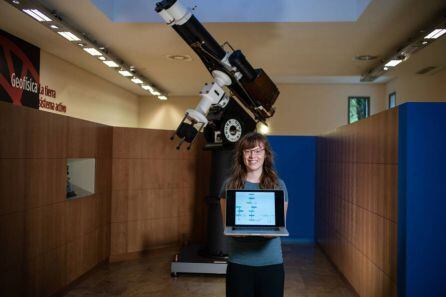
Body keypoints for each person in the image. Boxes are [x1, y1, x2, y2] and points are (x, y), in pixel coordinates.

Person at [220, 132, 288, 297]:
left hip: (271, 264)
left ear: (266, 155)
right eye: (248, 151)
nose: (252, 156)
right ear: (241, 155)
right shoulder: (229, 185)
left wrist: (264, 233)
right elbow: (227, 226)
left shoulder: (278, 185)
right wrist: (242, 233)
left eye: (258, 151)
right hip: (239, 263)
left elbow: (279, 226)